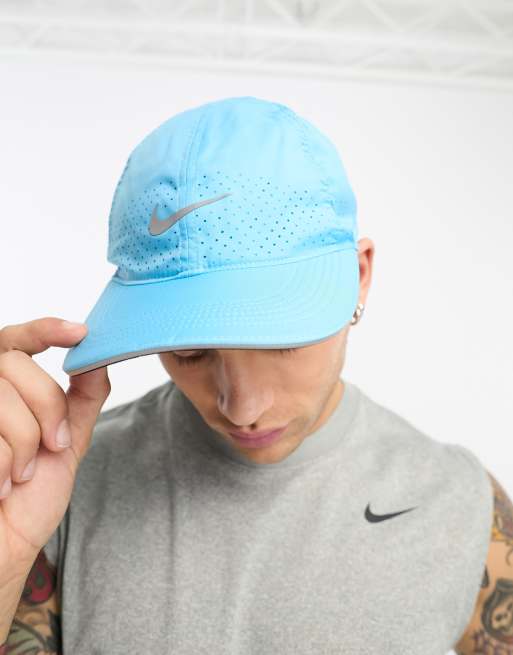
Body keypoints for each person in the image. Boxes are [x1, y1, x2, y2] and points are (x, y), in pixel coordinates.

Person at [0, 96, 511, 654]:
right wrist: (8, 557)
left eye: (280, 340)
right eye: (190, 352)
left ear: (358, 277)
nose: (241, 407)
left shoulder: (459, 504)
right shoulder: (60, 486)